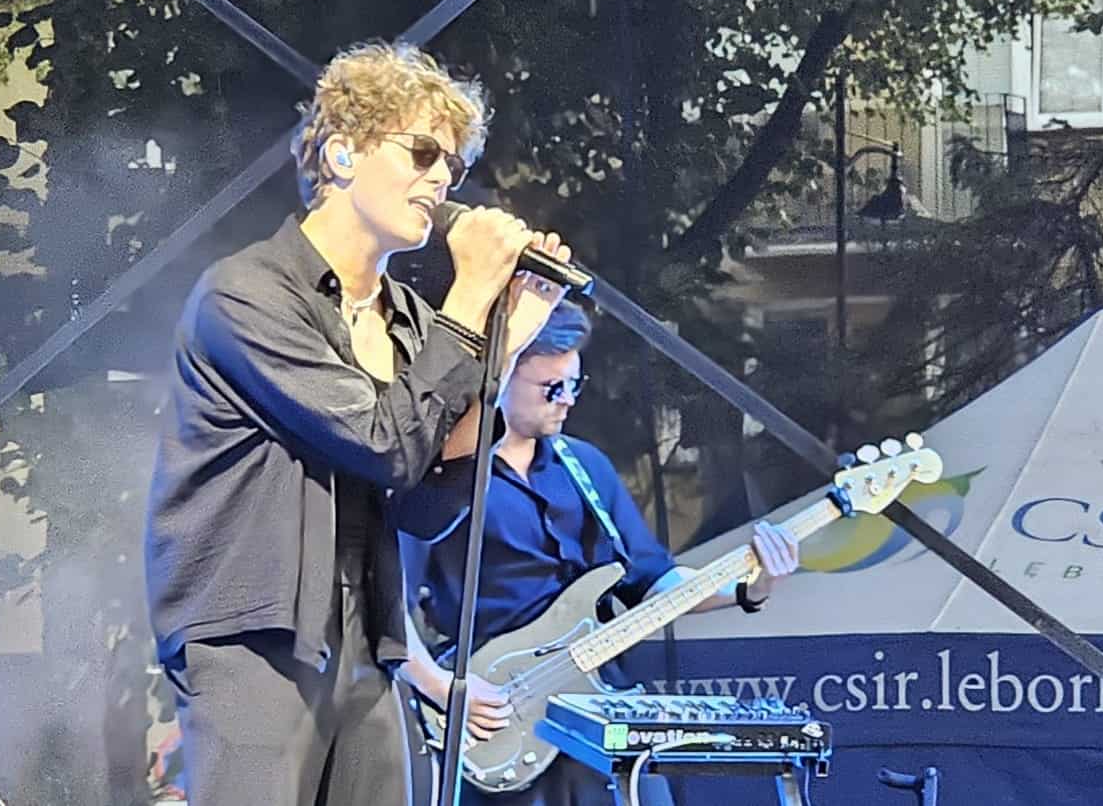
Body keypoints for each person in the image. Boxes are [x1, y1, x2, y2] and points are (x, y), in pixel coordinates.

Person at [144, 41, 573, 806]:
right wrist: (472, 296)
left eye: (453, 166)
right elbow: (381, 441)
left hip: (368, 636)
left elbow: (425, 500)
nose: (442, 179)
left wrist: (506, 343)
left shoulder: (409, 320)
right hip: (255, 636)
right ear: (342, 154)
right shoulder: (245, 295)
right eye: (422, 151)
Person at [396, 302, 801, 806]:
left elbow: (652, 581)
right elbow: (387, 601)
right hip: (493, 716)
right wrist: (442, 687)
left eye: (575, 384)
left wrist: (748, 589)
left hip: (593, 705)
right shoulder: (440, 476)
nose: (567, 401)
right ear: (500, 376)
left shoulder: (585, 466)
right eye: (552, 388)